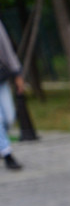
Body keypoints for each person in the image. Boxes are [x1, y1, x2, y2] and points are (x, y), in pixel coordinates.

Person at [0, 20, 24, 171]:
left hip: (1, 77)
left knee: (9, 117)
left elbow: (6, 47)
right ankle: (8, 154)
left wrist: (17, 72)